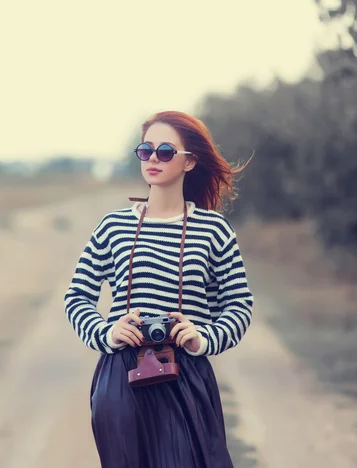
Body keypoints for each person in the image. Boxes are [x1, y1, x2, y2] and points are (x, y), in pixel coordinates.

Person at [63, 109, 254, 468]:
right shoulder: (114, 226)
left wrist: (203, 338)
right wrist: (107, 332)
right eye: (145, 150)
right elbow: (77, 297)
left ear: (190, 161)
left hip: (186, 374)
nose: (152, 158)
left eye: (165, 151)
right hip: (121, 374)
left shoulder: (214, 230)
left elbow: (239, 305)